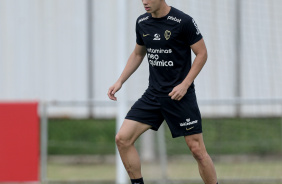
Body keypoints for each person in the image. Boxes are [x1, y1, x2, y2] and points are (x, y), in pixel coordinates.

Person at [107, 0, 218, 184]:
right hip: (153, 95)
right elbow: (137, 54)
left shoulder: (183, 22)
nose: (144, 2)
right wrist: (120, 81)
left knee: (197, 150)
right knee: (122, 139)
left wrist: (185, 84)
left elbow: (202, 53)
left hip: (180, 96)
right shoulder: (142, 22)